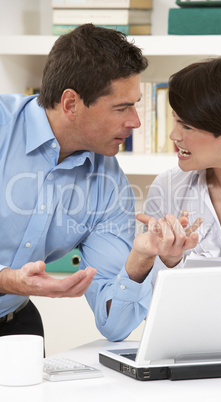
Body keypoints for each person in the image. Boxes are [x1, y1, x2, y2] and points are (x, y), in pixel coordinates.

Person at [0, 23, 200, 342]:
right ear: (71, 104)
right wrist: (8, 280)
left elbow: (113, 323)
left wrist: (141, 259)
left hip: (13, 325)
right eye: (122, 108)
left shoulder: (108, 184)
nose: (135, 121)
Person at [139, 55, 221, 284]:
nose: (174, 136)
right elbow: (149, 300)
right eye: (175, 121)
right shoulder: (167, 189)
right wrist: (170, 261)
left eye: (187, 126)